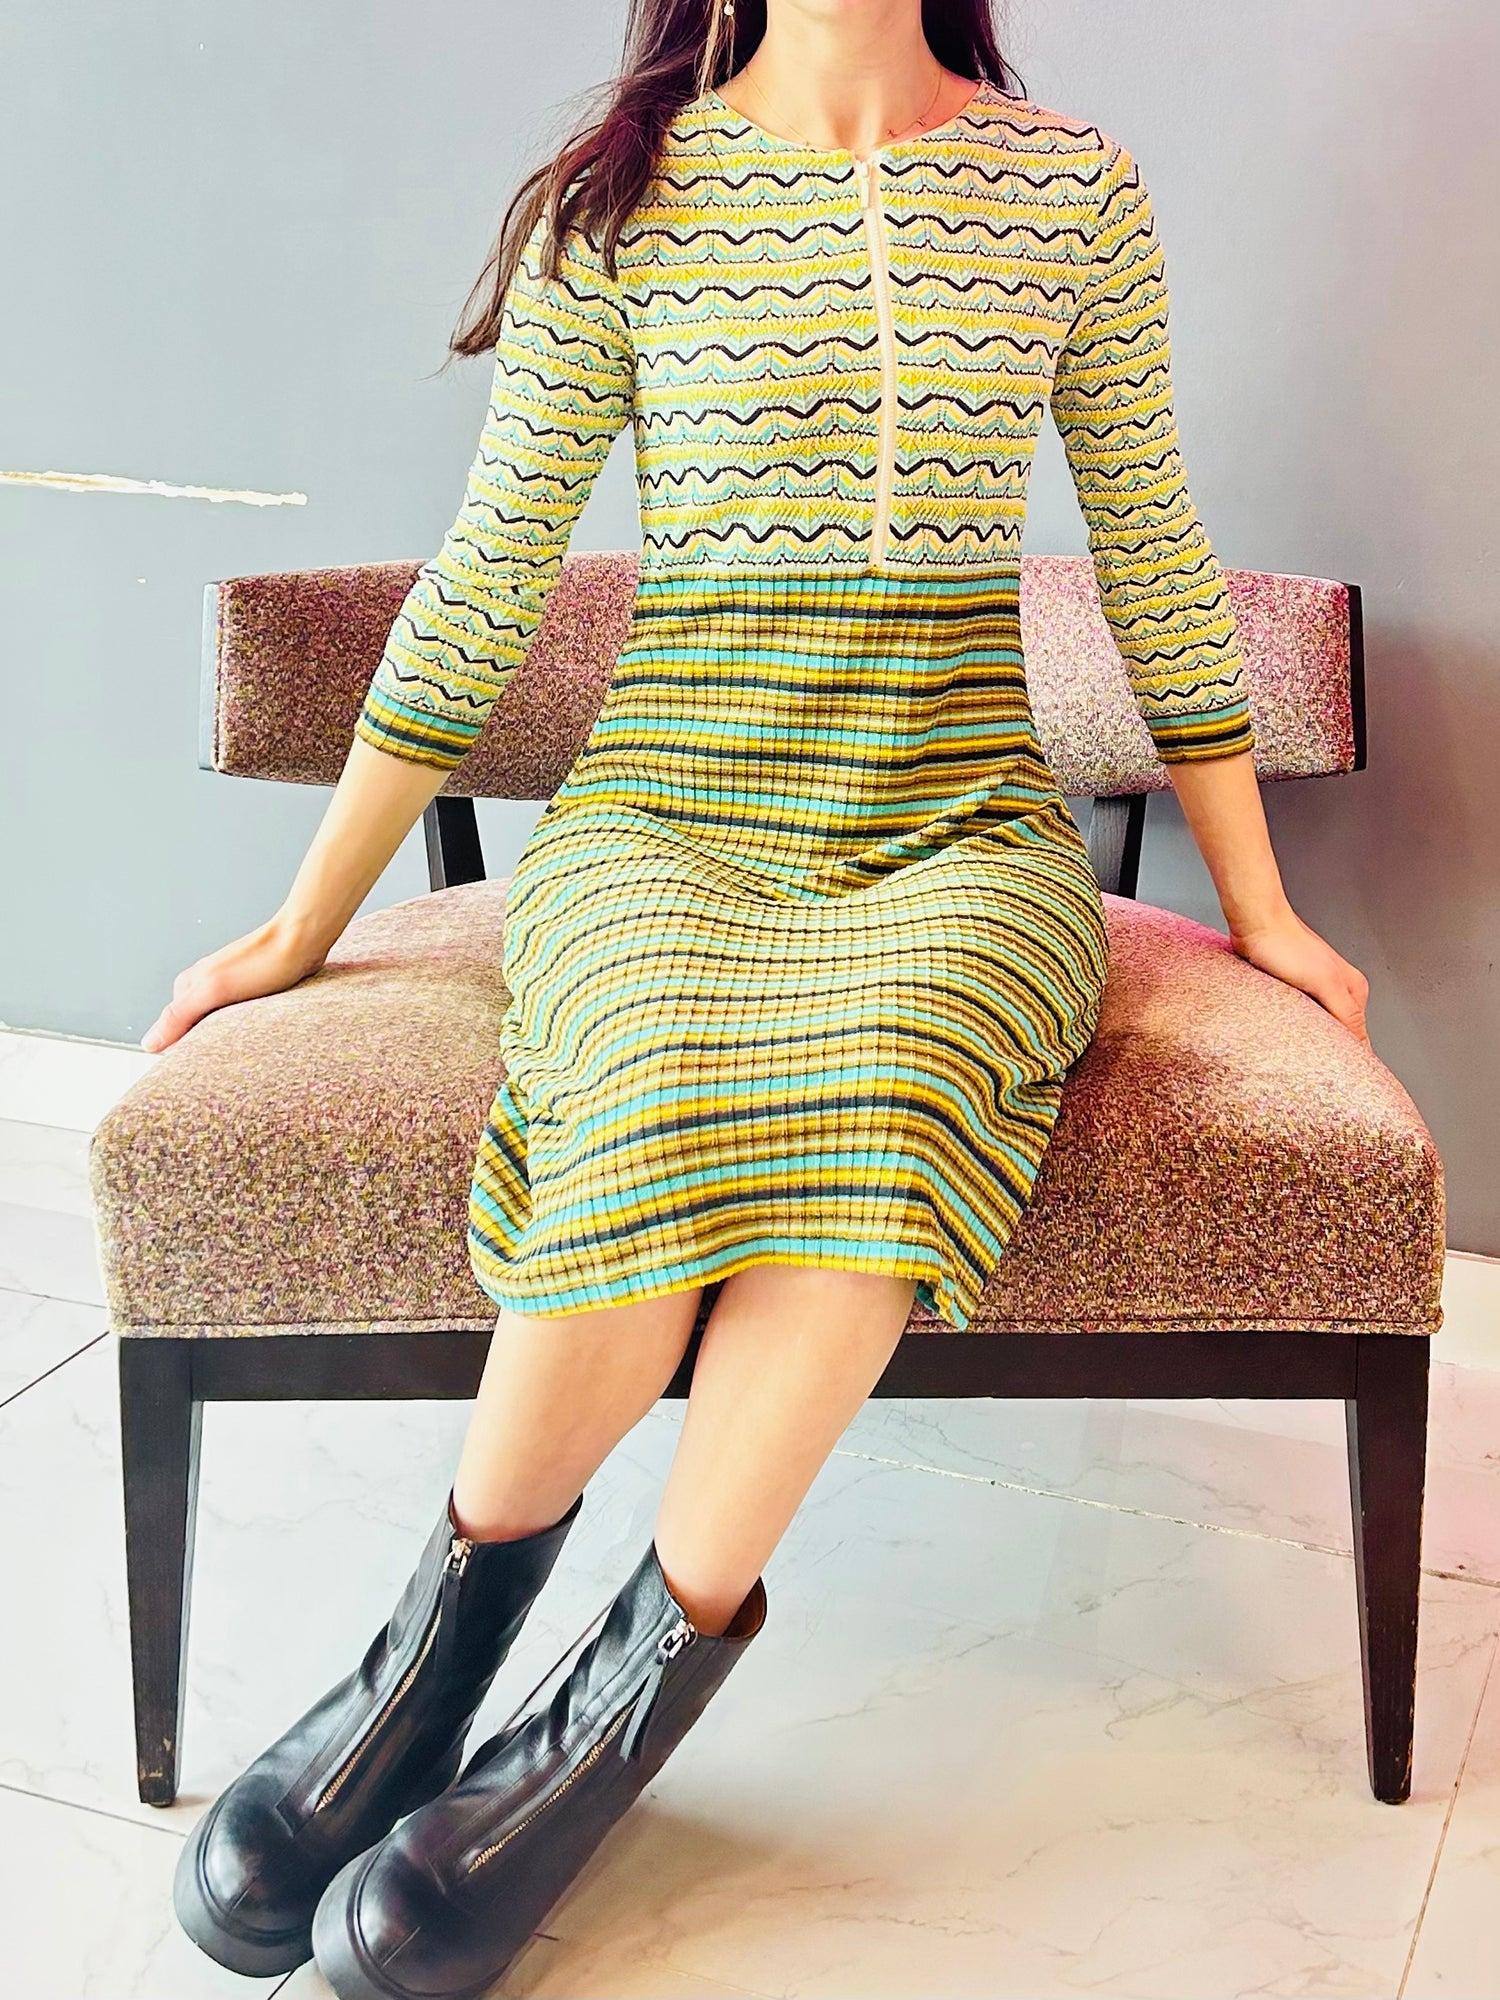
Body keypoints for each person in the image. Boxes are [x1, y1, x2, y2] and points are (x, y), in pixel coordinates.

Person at [155, 3, 1371, 1994]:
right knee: (649, 1075)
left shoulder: (1071, 191)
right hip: (664, 811)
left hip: (957, 825)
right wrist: (301, 924)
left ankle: (600, 1735)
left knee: (889, 1088)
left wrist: (1266, 907)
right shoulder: (619, 204)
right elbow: (487, 581)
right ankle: (425, 1669)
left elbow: (1155, 558)